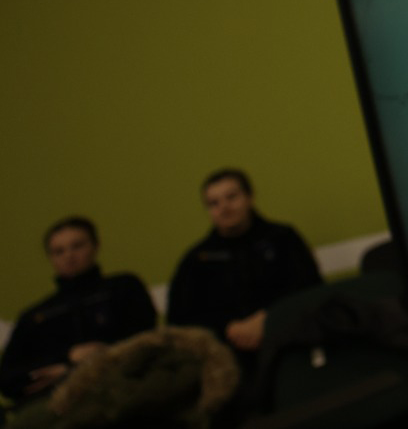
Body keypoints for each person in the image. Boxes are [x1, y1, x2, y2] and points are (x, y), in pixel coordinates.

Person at [165, 169, 323, 357]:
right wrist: (228, 328)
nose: (224, 207)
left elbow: (310, 288)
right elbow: (180, 318)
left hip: (291, 345)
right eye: (214, 203)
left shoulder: (283, 239)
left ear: (249, 197)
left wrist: (268, 318)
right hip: (224, 356)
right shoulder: (197, 259)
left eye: (231, 197)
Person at [0, 217, 157, 404]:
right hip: (58, 405)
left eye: (77, 246)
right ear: (50, 257)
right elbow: (8, 378)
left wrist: (76, 368)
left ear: (95, 246)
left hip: (126, 391)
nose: (69, 256)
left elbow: (145, 342)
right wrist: (67, 358)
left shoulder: (123, 288)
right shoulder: (35, 317)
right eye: (59, 251)